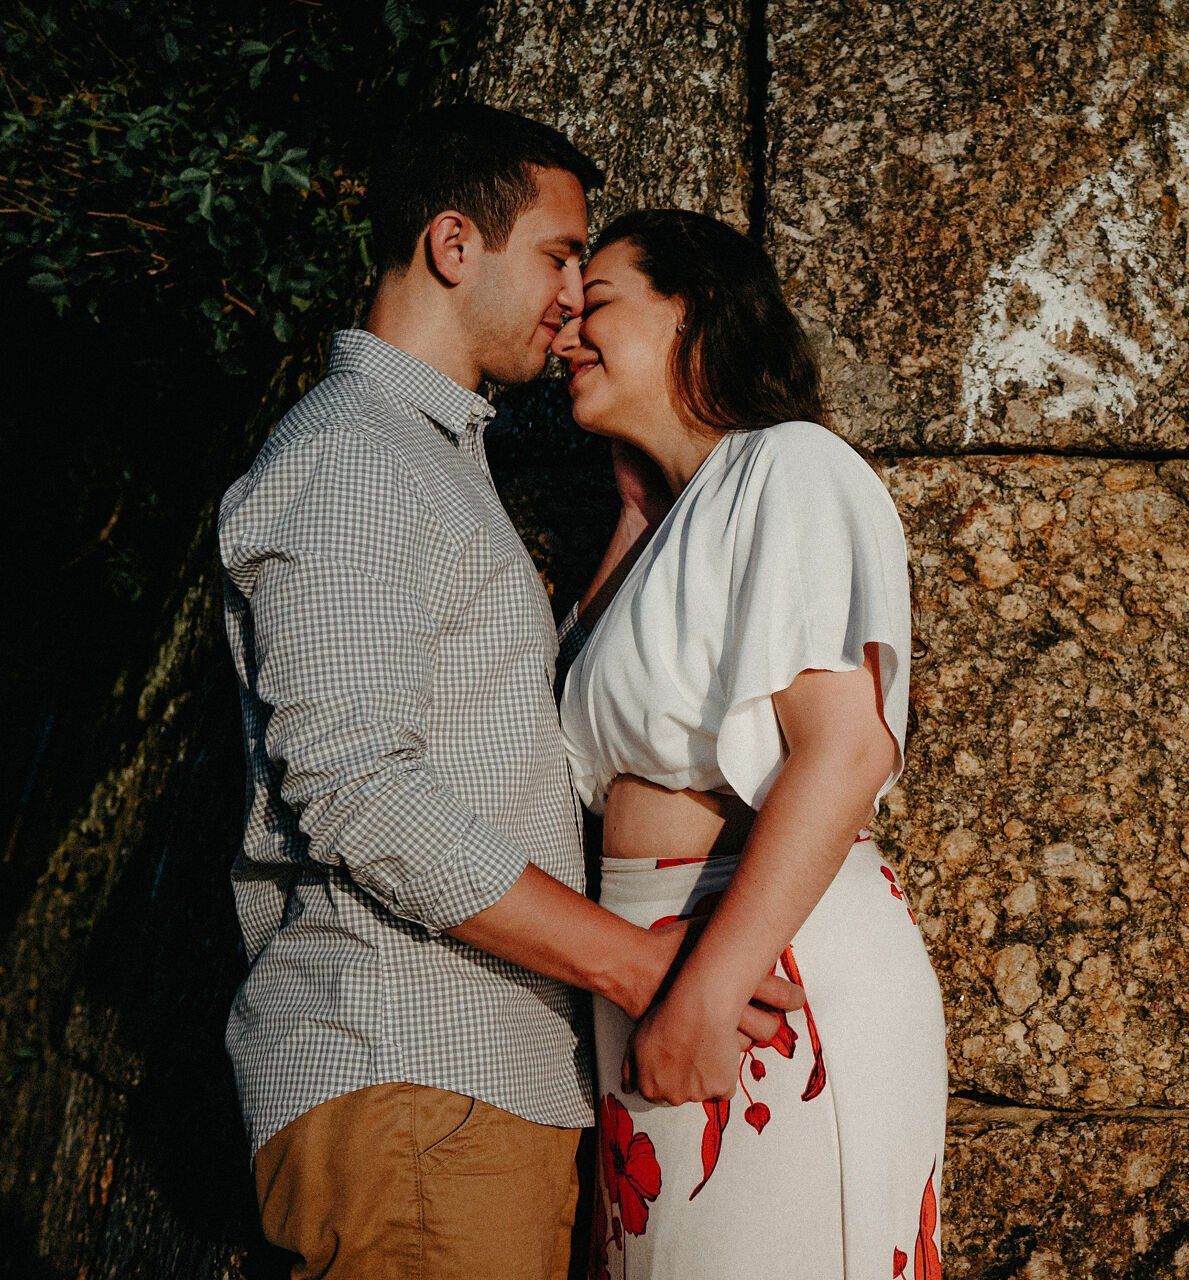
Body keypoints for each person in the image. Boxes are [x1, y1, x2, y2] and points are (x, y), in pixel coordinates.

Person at [217, 107, 801, 1280]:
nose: (576, 293)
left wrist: (639, 520)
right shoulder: (353, 453)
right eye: (559, 254)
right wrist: (637, 967)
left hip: (474, 1086)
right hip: (413, 1072)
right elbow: (359, 791)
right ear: (451, 244)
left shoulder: (431, 456)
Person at [552, 210, 947, 1279]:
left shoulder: (794, 467)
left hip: (757, 966)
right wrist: (636, 522)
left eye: (598, 304)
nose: (566, 334)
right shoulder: (685, 515)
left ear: (694, 308)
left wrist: (708, 991)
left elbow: (846, 750)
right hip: (657, 971)